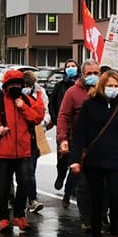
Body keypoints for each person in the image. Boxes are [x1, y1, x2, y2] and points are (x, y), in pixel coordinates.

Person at [69, 70, 118, 237]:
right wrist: (74, 159)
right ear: (101, 86)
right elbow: (80, 135)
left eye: (116, 86)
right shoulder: (89, 105)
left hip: (115, 161)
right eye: (109, 86)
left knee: (115, 201)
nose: (112, 89)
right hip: (94, 161)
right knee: (97, 202)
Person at [0, 69, 45, 234]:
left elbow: (37, 117)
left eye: (18, 85)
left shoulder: (27, 100)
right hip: (1, 152)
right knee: (3, 187)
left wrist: (23, 108)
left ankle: (19, 215)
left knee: (24, 183)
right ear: (5, 86)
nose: (15, 88)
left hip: (23, 151)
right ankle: (3, 218)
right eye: (11, 85)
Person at [57, 60, 100, 223]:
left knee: (102, 184)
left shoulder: (103, 91)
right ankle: (86, 217)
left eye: (96, 73)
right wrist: (63, 138)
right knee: (82, 181)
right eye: (89, 74)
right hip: (79, 143)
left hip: (100, 145)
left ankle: (102, 215)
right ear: (82, 75)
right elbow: (64, 116)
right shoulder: (73, 93)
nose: (93, 77)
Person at [22, 70, 50, 214]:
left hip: (35, 137)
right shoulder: (15, 95)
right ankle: (21, 197)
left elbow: (46, 111)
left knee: (30, 169)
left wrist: (43, 122)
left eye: (29, 84)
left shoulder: (40, 93)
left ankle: (31, 199)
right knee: (22, 171)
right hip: (19, 138)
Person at [50, 58, 79, 191]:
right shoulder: (60, 86)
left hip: (76, 128)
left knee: (76, 155)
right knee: (62, 156)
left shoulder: (80, 86)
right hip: (63, 126)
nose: (71, 68)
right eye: (69, 66)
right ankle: (61, 175)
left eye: (73, 66)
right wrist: (56, 119)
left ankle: (72, 185)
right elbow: (52, 103)